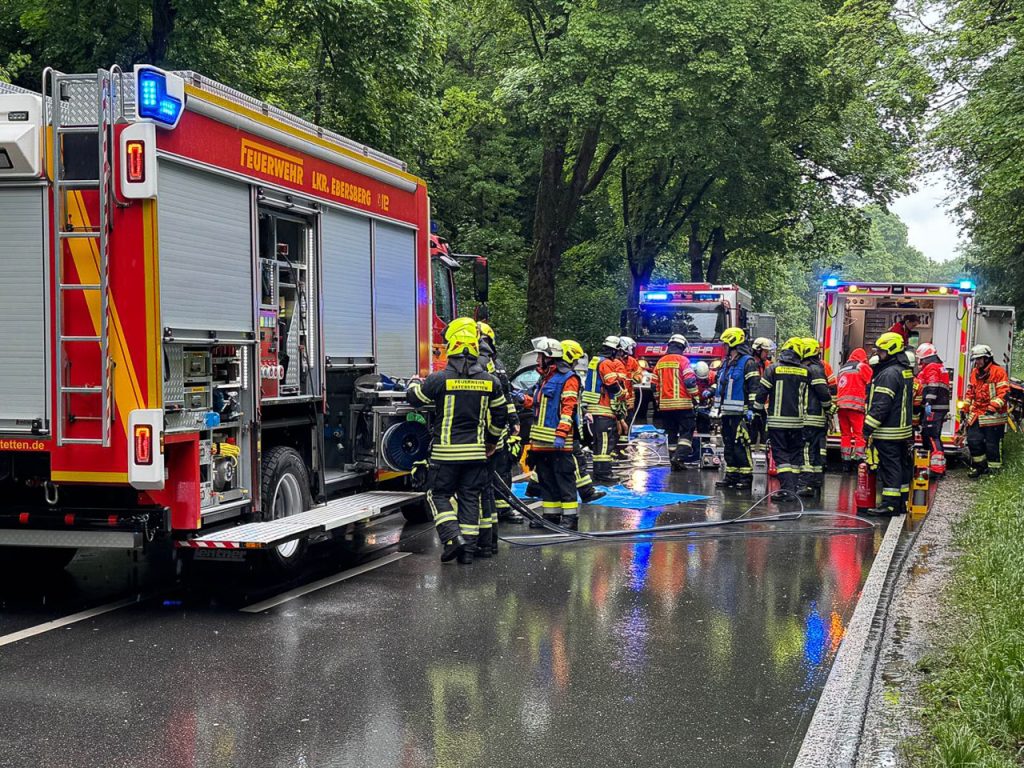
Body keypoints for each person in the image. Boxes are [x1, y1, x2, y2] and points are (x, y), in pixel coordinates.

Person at [407, 318, 508, 563]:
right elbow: (501, 415)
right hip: (476, 454)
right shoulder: (491, 381)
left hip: (445, 454)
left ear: (451, 347)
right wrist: (491, 441)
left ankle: (452, 537)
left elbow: (416, 399)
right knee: (470, 498)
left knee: (437, 495)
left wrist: (413, 382)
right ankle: (468, 552)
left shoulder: (438, 379)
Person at [527, 337, 583, 530]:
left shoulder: (568, 378)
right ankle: (551, 516)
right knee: (547, 481)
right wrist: (524, 400)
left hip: (559, 443)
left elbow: (568, 409)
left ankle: (570, 519)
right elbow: (541, 405)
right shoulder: (545, 379)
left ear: (549, 357)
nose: (537, 360)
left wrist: (561, 434)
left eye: (540, 356)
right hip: (541, 443)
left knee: (564, 480)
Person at [476, 322, 522, 541]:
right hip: (484, 427)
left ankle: (503, 508)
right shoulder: (477, 365)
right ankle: (491, 510)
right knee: (485, 472)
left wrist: (513, 420)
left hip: (498, 426)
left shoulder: (497, 365)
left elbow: (506, 395)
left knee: (503, 467)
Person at [862, 332, 915, 516]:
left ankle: (889, 505)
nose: (879, 354)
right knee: (901, 465)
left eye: (882, 351)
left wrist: (867, 428)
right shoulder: (904, 370)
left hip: (888, 431)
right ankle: (901, 502)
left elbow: (881, 405)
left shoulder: (888, 374)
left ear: (891, 350)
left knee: (890, 467)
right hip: (902, 430)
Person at [755, 338, 812, 501]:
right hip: (798, 422)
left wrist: (757, 411)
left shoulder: (773, 369)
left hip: (777, 422)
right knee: (794, 457)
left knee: (781, 456)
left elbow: (762, 392)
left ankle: (787, 490)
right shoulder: (805, 371)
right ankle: (792, 489)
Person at [561, 339, 607, 505]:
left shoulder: (555, 375)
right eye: (575, 360)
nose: (576, 363)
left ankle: (534, 487)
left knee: (547, 461)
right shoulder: (568, 377)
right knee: (576, 460)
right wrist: (564, 429)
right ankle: (587, 492)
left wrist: (584, 412)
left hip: (560, 428)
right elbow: (568, 405)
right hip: (565, 429)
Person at [715, 327, 761, 489]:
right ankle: (731, 475)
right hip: (726, 412)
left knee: (740, 445)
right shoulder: (726, 363)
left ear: (733, 343)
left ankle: (745, 477)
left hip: (741, 413)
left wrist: (752, 409)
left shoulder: (748, 362)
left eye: (725, 344)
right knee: (728, 445)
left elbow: (754, 387)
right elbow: (721, 385)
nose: (723, 347)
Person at [582, 335, 626, 483]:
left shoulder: (595, 360)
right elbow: (611, 384)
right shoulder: (606, 363)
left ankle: (599, 472)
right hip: (603, 408)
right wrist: (621, 395)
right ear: (614, 350)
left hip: (594, 408)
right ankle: (604, 473)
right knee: (605, 443)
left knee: (598, 443)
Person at [652, 334, 699, 471]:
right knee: (687, 431)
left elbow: (654, 385)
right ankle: (679, 458)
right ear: (682, 347)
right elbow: (690, 381)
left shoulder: (660, 362)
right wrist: (695, 397)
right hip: (683, 405)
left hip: (665, 407)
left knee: (671, 433)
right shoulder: (683, 361)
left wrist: (658, 400)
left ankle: (673, 459)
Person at [963, 344, 1009, 478]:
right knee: (973, 440)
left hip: (993, 415)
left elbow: (1004, 393)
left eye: (979, 359)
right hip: (977, 413)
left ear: (987, 358)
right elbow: (970, 392)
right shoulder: (974, 373)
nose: (977, 362)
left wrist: (993, 407)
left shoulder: (998, 372)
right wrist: (965, 407)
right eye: (975, 359)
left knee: (992, 444)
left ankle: (994, 472)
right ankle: (980, 467)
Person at [798, 338, 833, 497]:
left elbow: (822, 392)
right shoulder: (817, 368)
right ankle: (816, 481)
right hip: (817, 417)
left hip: (810, 417)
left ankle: (805, 483)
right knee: (816, 451)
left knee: (806, 450)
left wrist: (828, 407)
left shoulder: (812, 369)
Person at [914, 343, 951, 476]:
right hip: (939, 407)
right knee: (932, 435)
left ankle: (937, 469)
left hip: (934, 407)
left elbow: (932, 385)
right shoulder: (939, 366)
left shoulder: (931, 367)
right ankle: (937, 466)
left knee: (932, 435)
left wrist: (928, 402)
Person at [836, 348, 873, 470]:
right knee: (859, 435)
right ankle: (859, 460)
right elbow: (871, 383)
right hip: (856, 407)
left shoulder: (842, 369)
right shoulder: (862, 366)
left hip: (841, 406)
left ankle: (845, 462)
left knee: (845, 435)